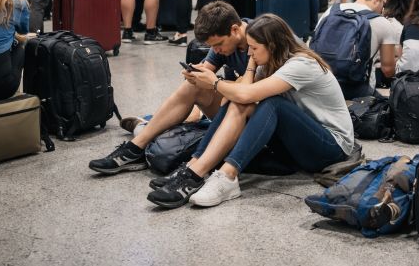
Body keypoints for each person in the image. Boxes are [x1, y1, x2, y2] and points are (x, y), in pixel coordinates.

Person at [145, 14, 353, 208]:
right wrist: (252, 66)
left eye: (253, 49)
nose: (249, 54)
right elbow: (236, 97)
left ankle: (226, 177)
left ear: (271, 46)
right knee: (238, 102)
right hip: (296, 148)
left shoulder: (301, 64)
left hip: (332, 148)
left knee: (272, 104)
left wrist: (215, 82)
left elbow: (245, 94)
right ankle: (194, 168)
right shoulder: (268, 63)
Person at [89, 1, 251, 178]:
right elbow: (207, 71)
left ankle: (148, 129)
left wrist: (215, 83)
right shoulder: (224, 40)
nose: (216, 50)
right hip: (233, 105)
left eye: (218, 44)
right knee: (192, 85)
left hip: (252, 114)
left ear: (235, 30)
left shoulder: (262, 38)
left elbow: (258, 93)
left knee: (224, 99)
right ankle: (135, 148)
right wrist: (196, 75)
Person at [313, 0, 396, 98]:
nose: (383, 9)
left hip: (320, 79)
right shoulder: (382, 22)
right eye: (384, 3)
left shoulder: (330, 11)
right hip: (353, 89)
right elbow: (388, 70)